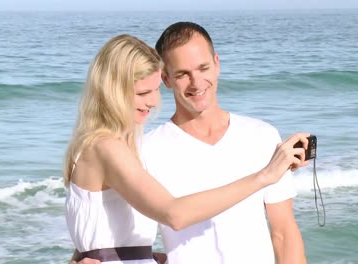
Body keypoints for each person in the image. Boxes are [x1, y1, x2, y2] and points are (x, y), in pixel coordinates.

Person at [65, 34, 310, 264]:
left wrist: (148, 257)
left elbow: (96, 238)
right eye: (142, 93)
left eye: (154, 91)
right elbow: (175, 215)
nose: (152, 102)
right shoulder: (110, 147)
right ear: (112, 91)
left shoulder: (122, 147)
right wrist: (266, 175)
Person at [140, 22, 308, 263]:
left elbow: (284, 232)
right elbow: (127, 234)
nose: (196, 83)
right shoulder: (148, 150)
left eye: (203, 68)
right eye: (182, 74)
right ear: (165, 79)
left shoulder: (261, 135)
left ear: (217, 64)